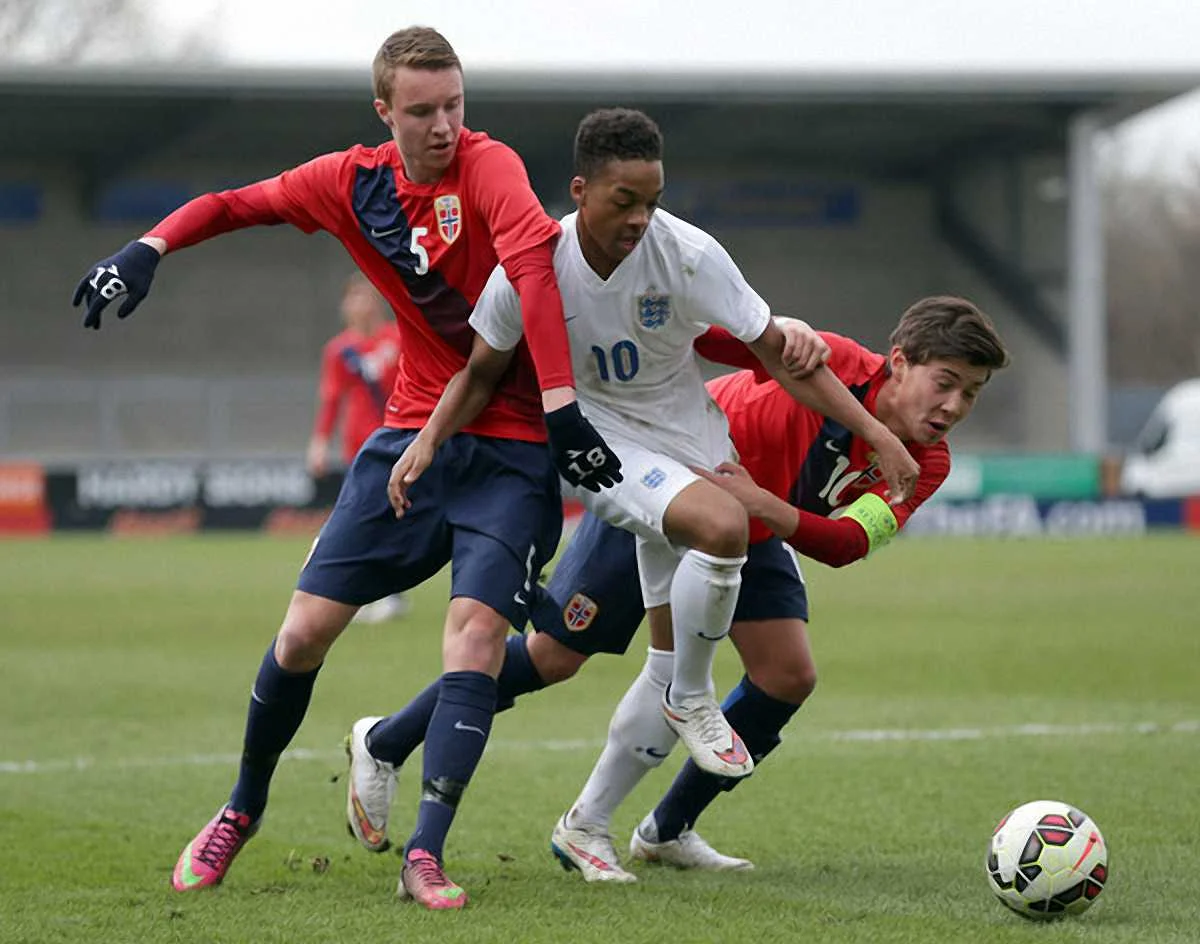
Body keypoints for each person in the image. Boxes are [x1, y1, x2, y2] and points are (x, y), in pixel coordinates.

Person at [70, 26, 623, 911]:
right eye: (422, 110)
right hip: (407, 438)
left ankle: (427, 853)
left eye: (454, 104)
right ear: (383, 111)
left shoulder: (490, 168)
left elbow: (534, 269)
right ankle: (241, 809)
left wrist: (559, 407)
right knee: (300, 637)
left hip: (514, 449)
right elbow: (232, 203)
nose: (444, 124)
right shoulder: (348, 183)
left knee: (476, 640)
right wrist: (148, 249)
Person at [343, 107, 921, 878]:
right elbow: (481, 370)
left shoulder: (687, 254)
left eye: (653, 200)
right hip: (602, 445)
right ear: (581, 190)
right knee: (698, 547)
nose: (641, 218)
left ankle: (616, 820)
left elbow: (776, 354)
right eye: (624, 201)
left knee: (727, 654)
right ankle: (688, 699)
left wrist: (880, 438)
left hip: (698, 447)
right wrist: (426, 440)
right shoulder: (532, 262)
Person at [346, 295, 1009, 882]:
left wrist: (759, 505)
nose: (953, 406)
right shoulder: (827, 361)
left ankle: (663, 831)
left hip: (752, 522)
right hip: (671, 484)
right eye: (945, 383)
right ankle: (386, 740)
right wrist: (773, 327)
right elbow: (720, 336)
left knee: (786, 674)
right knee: (554, 657)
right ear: (899, 361)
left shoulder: (931, 462)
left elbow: (846, 545)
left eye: (971, 394)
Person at [306, 272, 407, 623]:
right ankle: (378, 592)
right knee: (371, 516)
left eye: (365, 296)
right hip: (359, 446)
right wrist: (319, 444)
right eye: (353, 297)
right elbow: (332, 399)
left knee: (387, 516)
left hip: (399, 438)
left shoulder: (398, 338)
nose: (359, 303)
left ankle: (381, 592)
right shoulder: (339, 350)